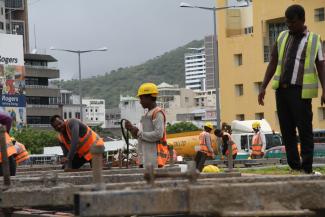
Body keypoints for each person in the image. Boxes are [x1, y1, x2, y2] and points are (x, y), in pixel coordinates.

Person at [258, 5, 325, 174]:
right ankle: (295, 165)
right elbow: (273, 61)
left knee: (305, 130)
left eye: (292, 22)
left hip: (300, 92)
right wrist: (263, 86)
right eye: (287, 22)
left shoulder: (315, 40)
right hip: (281, 90)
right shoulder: (282, 37)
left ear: (302, 20)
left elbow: (321, 66)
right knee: (287, 130)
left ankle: (307, 167)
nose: (289, 26)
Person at [125, 83, 168, 168]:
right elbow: (141, 136)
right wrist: (132, 130)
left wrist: (139, 133)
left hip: (155, 159)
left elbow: (158, 134)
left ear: (149, 97)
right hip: (146, 158)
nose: (140, 101)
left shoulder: (157, 113)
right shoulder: (147, 114)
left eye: (141, 98)